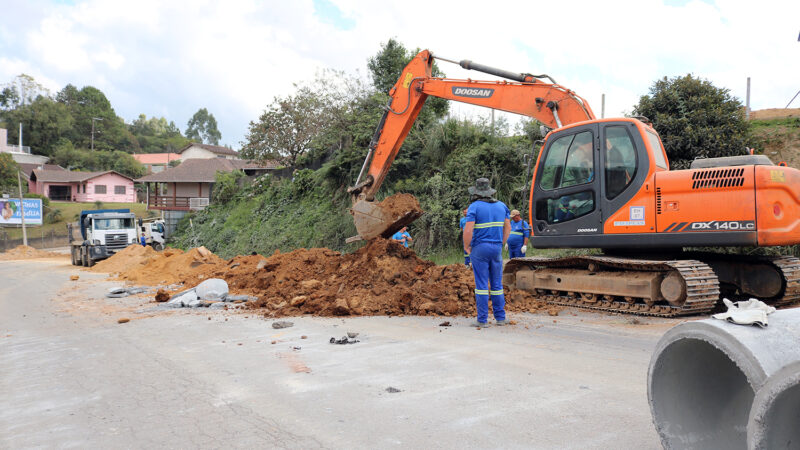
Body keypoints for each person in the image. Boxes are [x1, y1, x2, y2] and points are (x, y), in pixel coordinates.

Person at [463, 178, 511, 327]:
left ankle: (482, 320)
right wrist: (500, 243)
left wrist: (466, 246)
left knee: (482, 284)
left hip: (480, 248)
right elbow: (508, 228)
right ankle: (500, 318)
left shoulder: (474, 207)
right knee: (497, 284)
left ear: (476, 193)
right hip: (496, 248)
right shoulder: (502, 206)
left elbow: (469, 229)